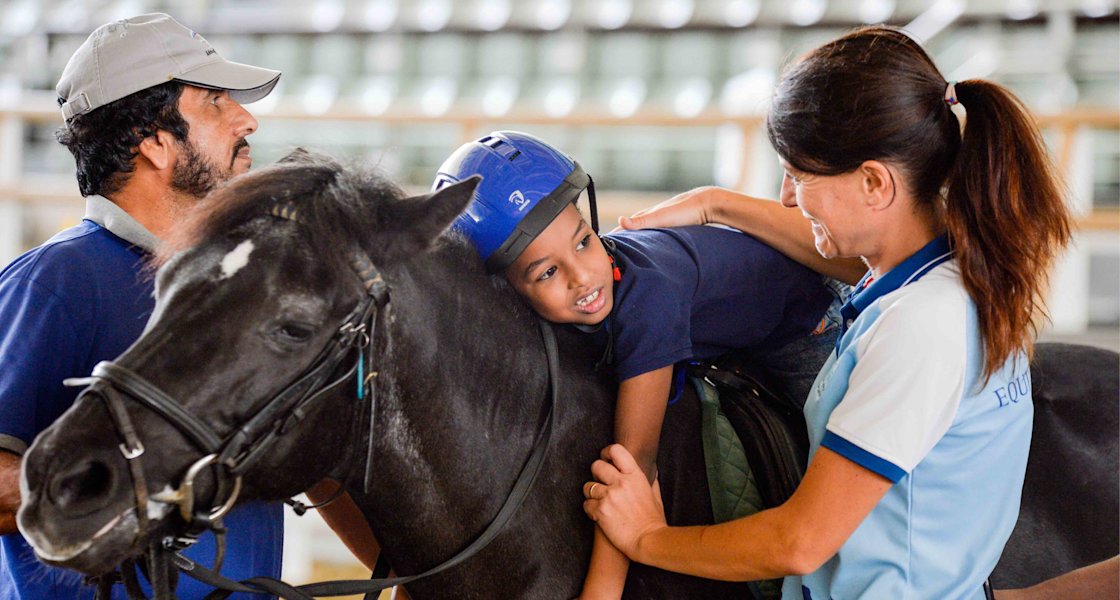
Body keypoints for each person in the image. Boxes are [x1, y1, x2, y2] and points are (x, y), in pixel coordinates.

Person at [581, 25, 1073, 600]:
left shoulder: (920, 325)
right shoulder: (954, 268)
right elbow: (830, 249)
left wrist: (648, 538)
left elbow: (800, 542)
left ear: (874, 183)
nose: (787, 196)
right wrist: (718, 204)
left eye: (799, 176)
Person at [432, 130, 865, 599]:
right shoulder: (589, 290)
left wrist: (600, 592)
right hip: (723, 319)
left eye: (583, 242)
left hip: (808, 323)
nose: (583, 277)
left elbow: (636, 460)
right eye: (549, 272)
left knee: (845, 488)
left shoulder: (648, 300)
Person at [0, 13, 285, 599]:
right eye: (214, 103)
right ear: (153, 141)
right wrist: (146, 475)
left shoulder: (240, 283)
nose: (246, 119)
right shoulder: (56, 281)